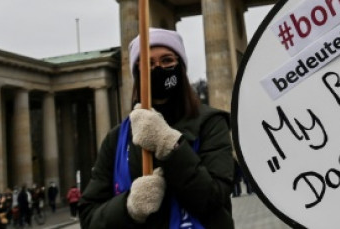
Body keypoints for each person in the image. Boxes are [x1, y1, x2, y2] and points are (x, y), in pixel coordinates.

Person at [78, 28, 234, 228]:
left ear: (181, 67)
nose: (158, 68)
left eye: (167, 60)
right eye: (147, 64)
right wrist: (128, 208)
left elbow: (214, 197)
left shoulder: (210, 123)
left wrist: (169, 145)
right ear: (136, 72)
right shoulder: (117, 138)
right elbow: (89, 217)